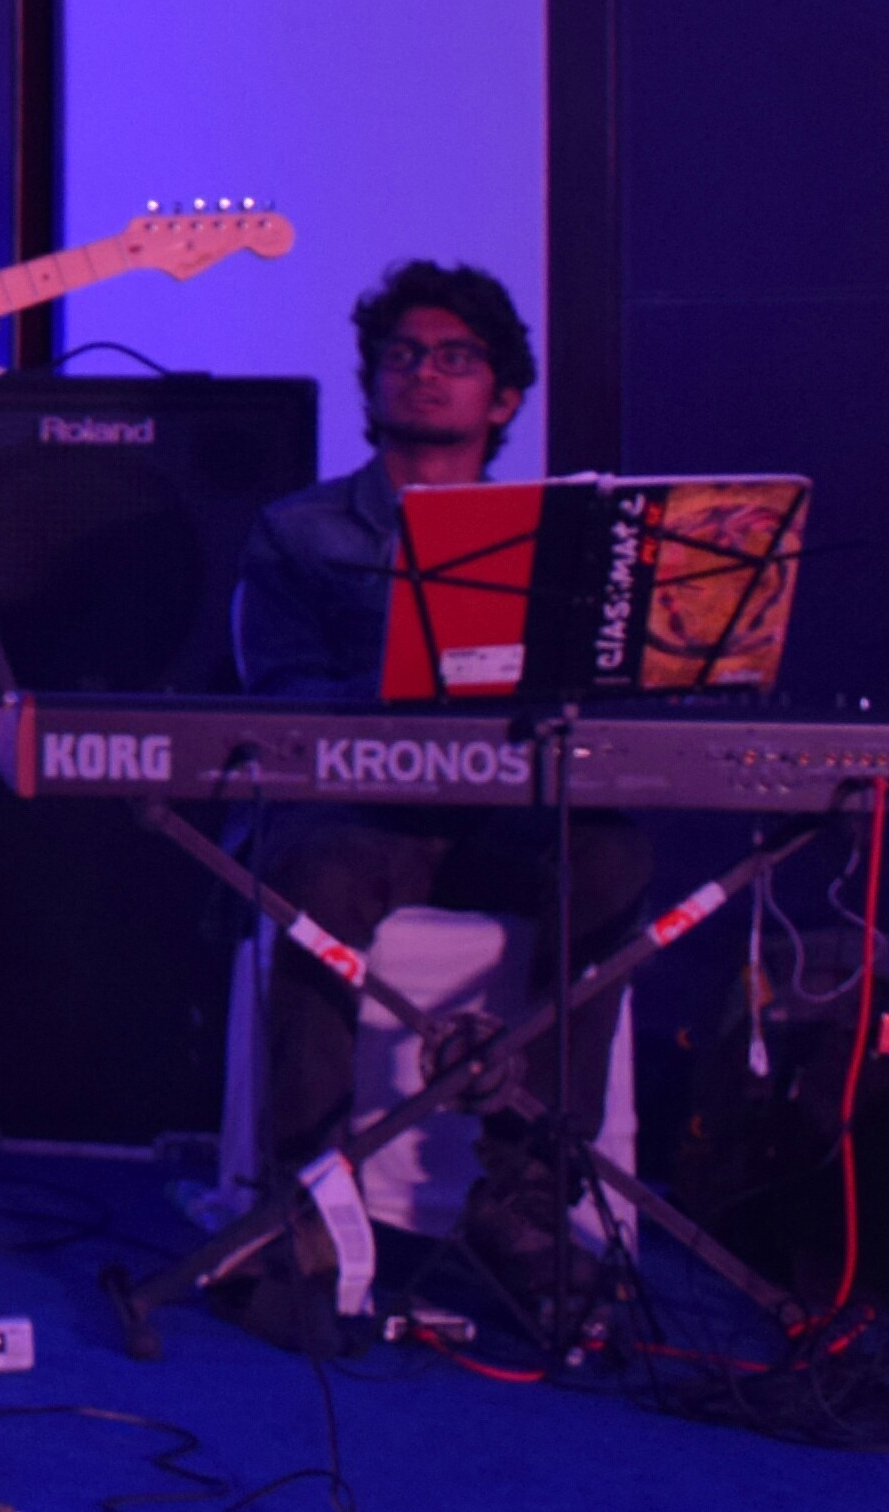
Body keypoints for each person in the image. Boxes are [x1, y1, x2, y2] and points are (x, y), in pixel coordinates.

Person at [222, 259, 653, 1290]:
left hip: (498, 816)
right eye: (404, 354)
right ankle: (309, 1195)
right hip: (361, 814)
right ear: (372, 380)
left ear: (502, 397)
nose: (424, 372)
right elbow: (279, 697)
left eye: (456, 358)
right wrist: (406, 677)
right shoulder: (299, 530)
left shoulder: (553, 536)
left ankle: (527, 1196)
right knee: (315, 875)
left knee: (610, 856)